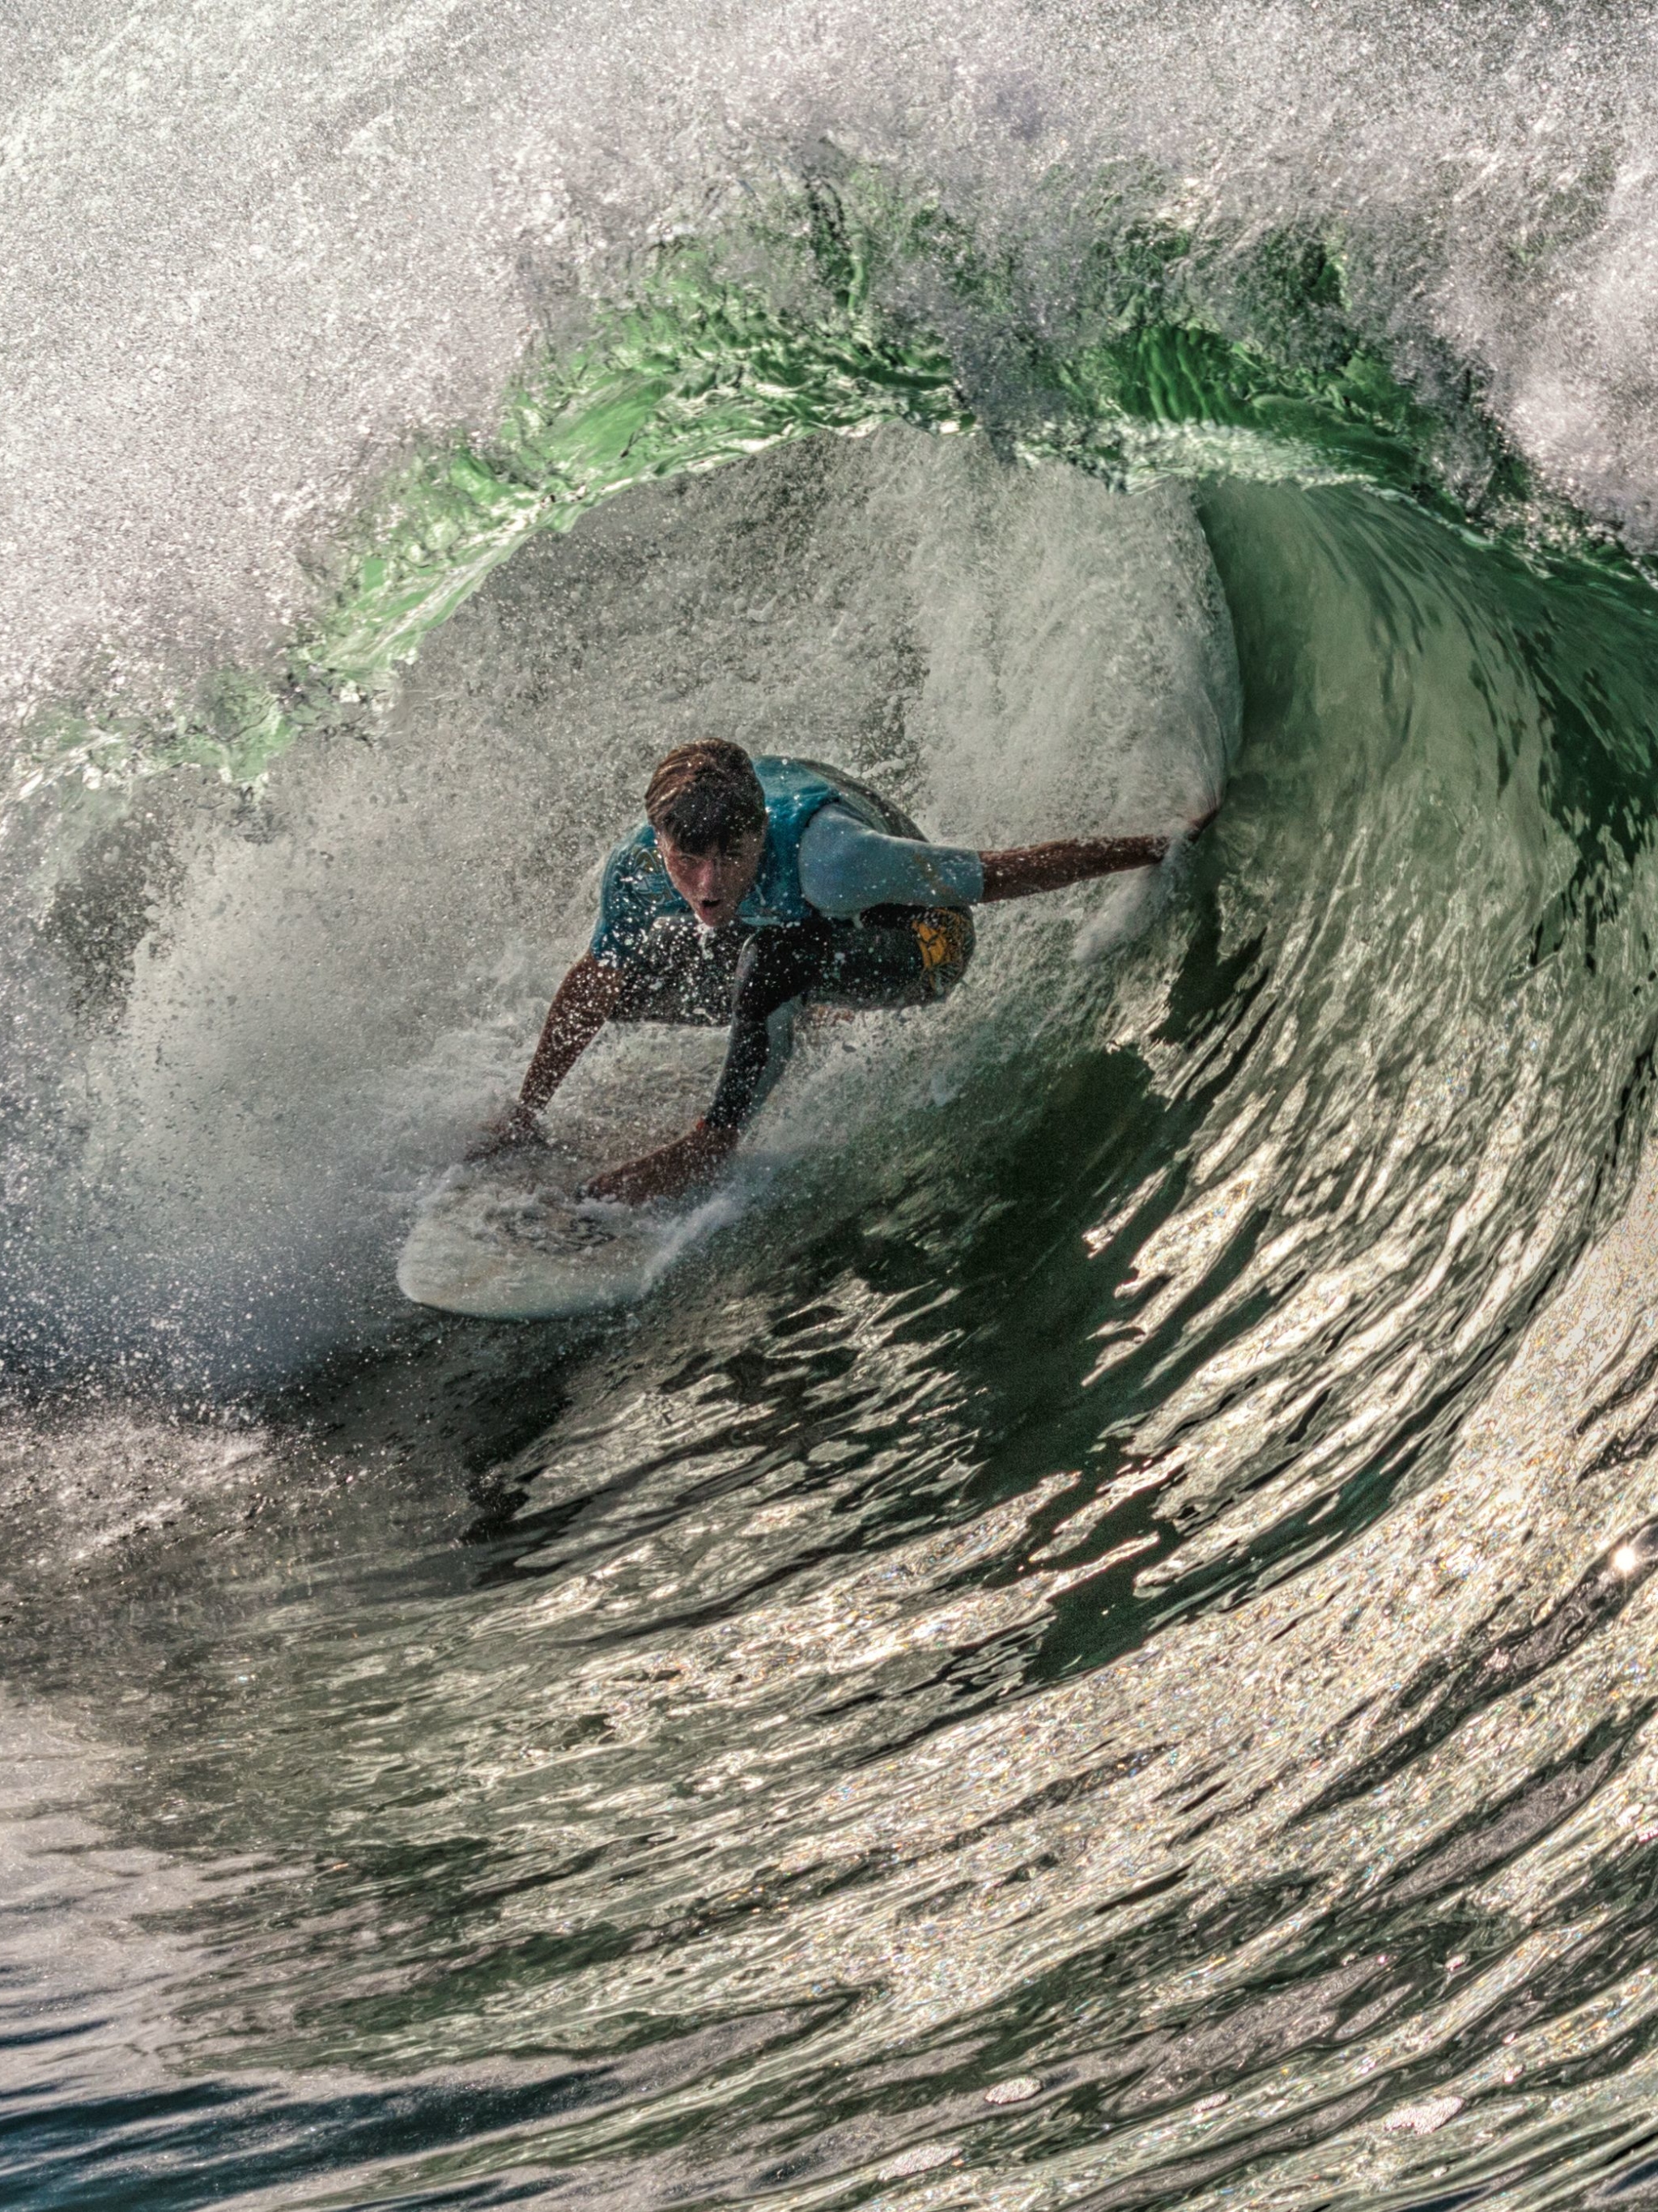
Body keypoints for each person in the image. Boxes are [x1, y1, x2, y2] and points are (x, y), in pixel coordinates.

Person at [486, 740, 1202, 1203]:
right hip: (796, 924)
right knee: (623, 976)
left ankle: (711, 1143)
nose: (705, 884)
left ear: (759, 831)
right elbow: (593, 982)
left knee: (770, 960)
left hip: (919, 940)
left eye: (729, 858)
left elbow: (998, 873)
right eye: (687, 860)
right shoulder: (640, 867)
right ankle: (799, 1010)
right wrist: (526, 1113)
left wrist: (1155, 846)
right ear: (661, 841)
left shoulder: (836, 859)